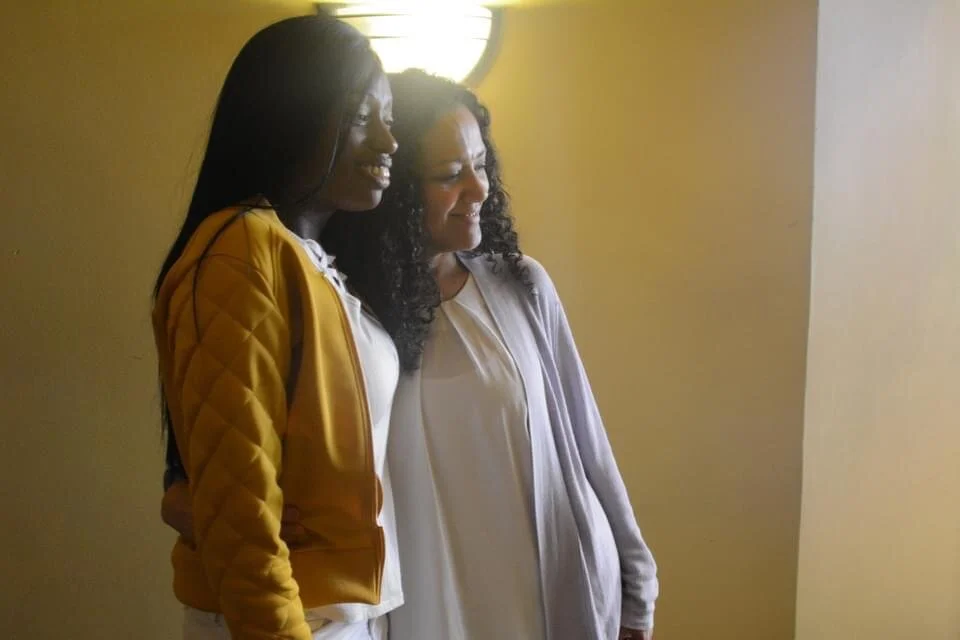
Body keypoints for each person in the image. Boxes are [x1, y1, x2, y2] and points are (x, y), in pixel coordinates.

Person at [164, 69, 659, 639]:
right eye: (449, 174)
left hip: (543, 599)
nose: (478, 189)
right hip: (414, 611)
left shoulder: (520, 287)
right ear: (395, 189)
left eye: (481, 165)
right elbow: (210, 477)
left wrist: (638, 583)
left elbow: (589, 448)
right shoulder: (345, 312)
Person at [153, 15, 404, 640]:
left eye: (390, 118)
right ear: (291, 115)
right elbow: (240, 514)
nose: (388, 141)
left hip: (339, 614)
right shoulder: (242, 251)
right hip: (289, 619)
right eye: (361, 116)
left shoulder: (310, 261)